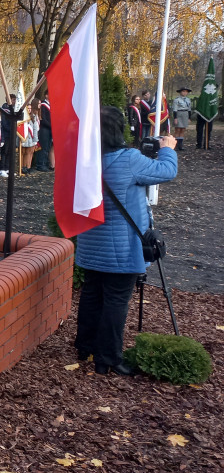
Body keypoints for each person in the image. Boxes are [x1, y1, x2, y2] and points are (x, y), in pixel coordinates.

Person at [74, 106, 177, 375]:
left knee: (92, 294)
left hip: (91, 243)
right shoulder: (129, 159)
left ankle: (84, 347)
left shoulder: (84, 160)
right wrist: (168, 148)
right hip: (121, 248)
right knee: (116, 301)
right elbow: (167, 171)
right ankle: (107, 359)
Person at [0, 94, 16, 177]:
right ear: (9, 100)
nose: (15, 101)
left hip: (11, 135)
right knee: (4, 152)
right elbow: (4, 123)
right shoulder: (4, 110)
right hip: (6, 134)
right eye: (13, 100)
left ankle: (7, 168)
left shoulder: (13, 109)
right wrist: (12, 129)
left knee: (9, 152)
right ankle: (1, 169)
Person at [34, 96, 53, 172]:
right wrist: (51, 125)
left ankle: (45, 163)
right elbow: (43, 119)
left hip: (49, 130)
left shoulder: (51, 105)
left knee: (48, 147)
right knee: (43, 147)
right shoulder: (43, 105)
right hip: (44, 129)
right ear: (46, 95)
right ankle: (40, 164)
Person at [20, 102, 39, 173]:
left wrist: (35, 140)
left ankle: (28, 167)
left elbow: (35, 129)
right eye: (28, 108)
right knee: (23, 153)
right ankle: (22, 167)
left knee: (29, 153)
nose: (29, 110)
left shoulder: (33, 117)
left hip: (31, 138)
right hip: (24, 138)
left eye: (30, 108)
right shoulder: (22, 117)